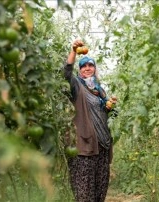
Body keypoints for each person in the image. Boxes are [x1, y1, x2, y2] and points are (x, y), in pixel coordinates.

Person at [62, 39, 117, 202]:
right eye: (84, 66)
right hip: (84, 146)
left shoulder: (100, 90)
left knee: (100, 189)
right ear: (80, 71)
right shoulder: (77, 86)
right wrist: (73, 51)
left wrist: (110, 108)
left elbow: (103, 113)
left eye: (90, 65)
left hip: (102, 146)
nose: (87, 68)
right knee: (84, 191)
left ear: (94, 68)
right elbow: (65, 74)